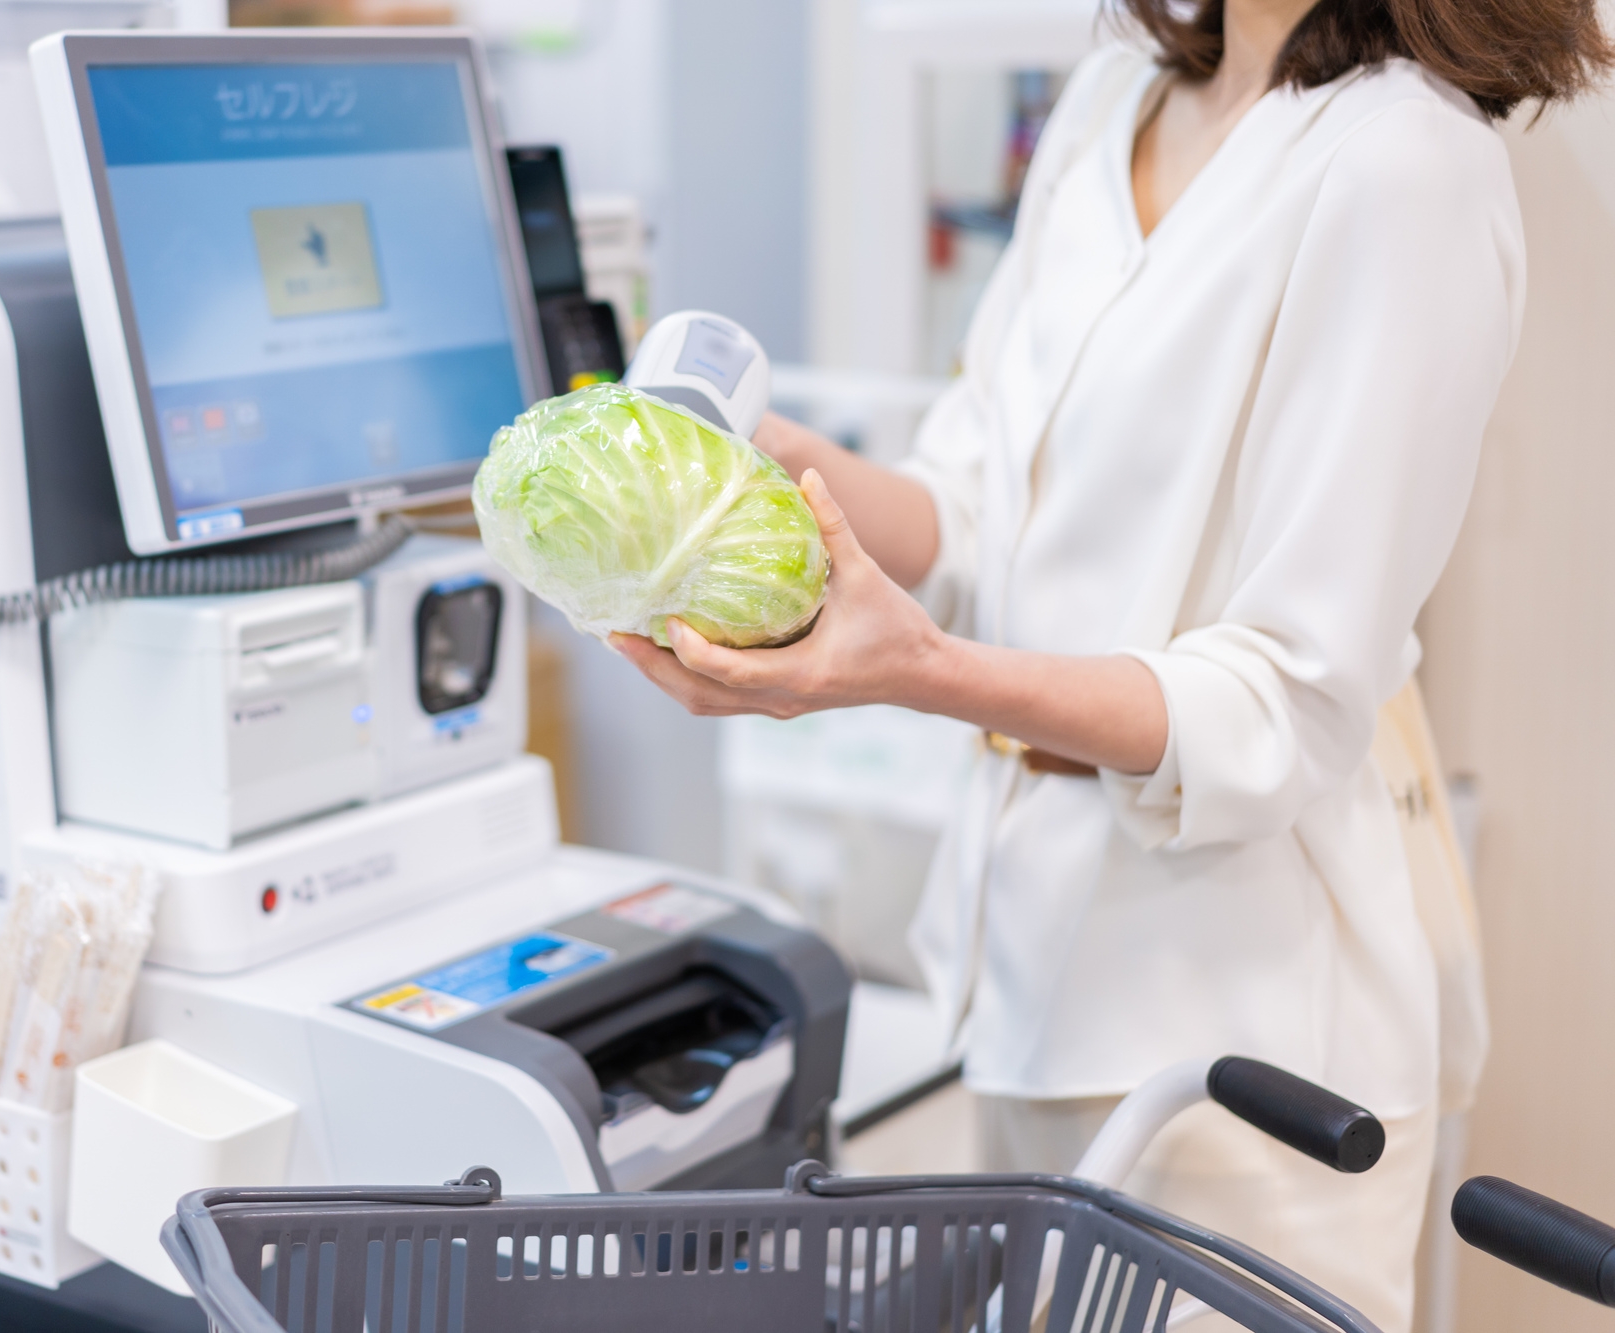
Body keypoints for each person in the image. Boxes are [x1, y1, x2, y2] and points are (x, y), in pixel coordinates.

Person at [613, 1, 1613, 1328]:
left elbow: (1280, 699)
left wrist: (912, 668)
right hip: (1028, 966)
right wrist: (762, 469)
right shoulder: (1112, 99)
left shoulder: (1404, 165)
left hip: (1246, 1047)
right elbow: (973, 504)